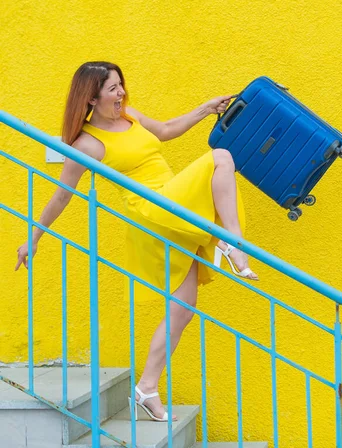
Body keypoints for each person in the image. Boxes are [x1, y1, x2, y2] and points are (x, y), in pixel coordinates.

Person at [15, 61, 258, 422]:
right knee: (220, 158)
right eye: (113, 89)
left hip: (173, 204)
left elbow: (166, 129)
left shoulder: (130, 116)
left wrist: (206, 108)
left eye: (121, 85)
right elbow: (62, 196)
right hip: (152, 213)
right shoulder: (87, 144)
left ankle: (146, 388)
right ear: (92, 97)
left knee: (183, 309)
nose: (122, 93)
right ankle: (233, 242)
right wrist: (33, 237)